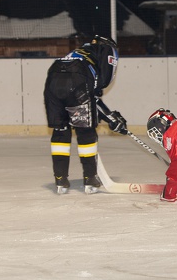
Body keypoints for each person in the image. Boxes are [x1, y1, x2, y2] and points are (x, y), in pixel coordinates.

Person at [43, 35, 128, 194]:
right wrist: (111, 118)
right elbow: (97, 89)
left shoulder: (79, 52)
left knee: (60, 131)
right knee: (85, 130)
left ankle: (60, 178)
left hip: (53, 75)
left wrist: (109, 116)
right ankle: (90, 178)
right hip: (77, 77)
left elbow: (90, 96)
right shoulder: (106, 49)